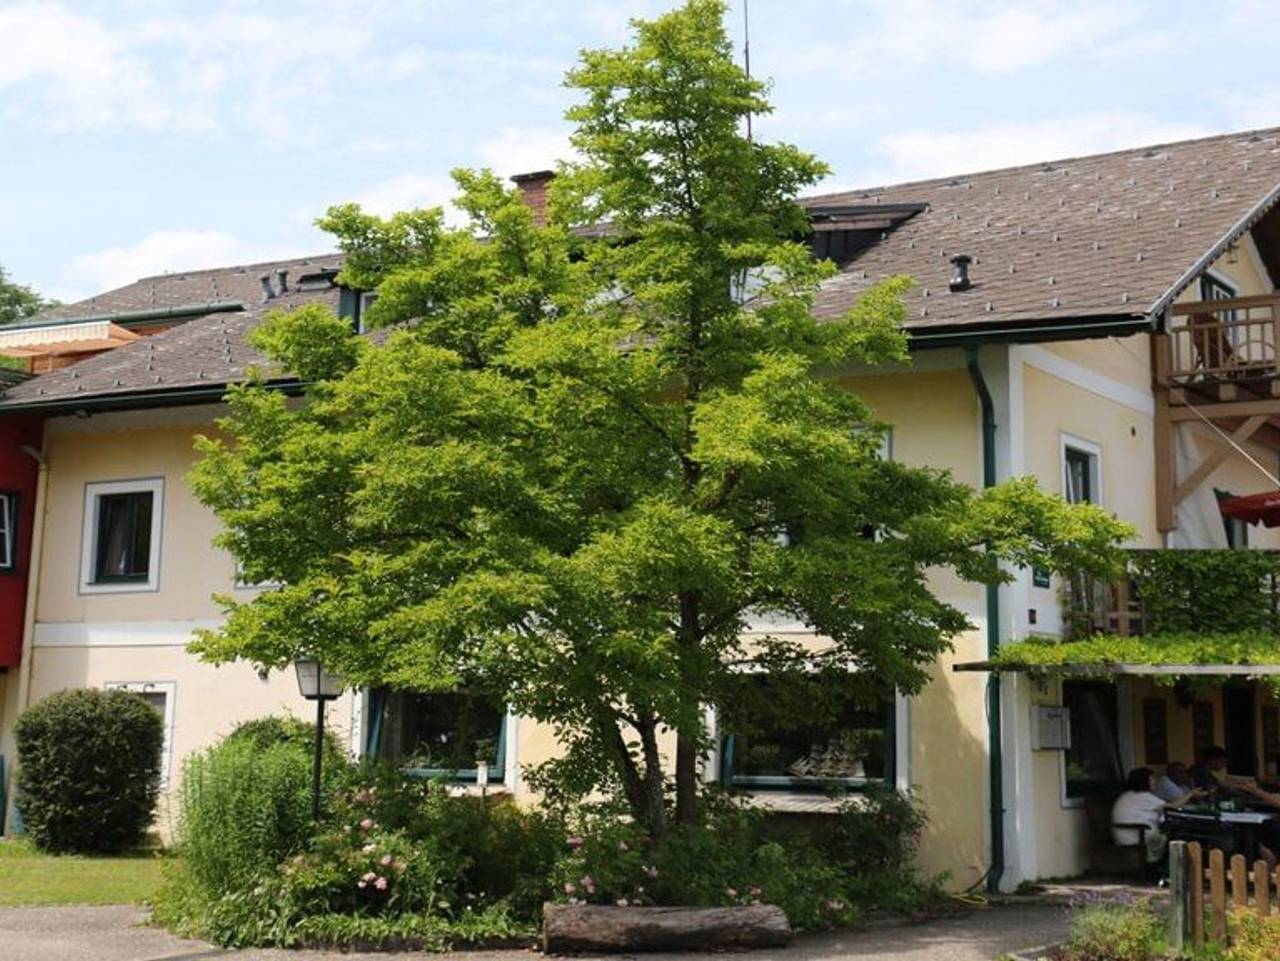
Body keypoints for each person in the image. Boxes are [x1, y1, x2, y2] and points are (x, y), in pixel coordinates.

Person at [1112, 767, 1201, 868]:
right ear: (1144, 781)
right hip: (1135, 836)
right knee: (1176, 836)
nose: (1155, 782)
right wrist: (1191, 793)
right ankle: (1167, 870)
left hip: (1127, 834)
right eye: (1152, 779)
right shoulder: (1143, 796)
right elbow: (1175, 805)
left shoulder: (1128, 795)